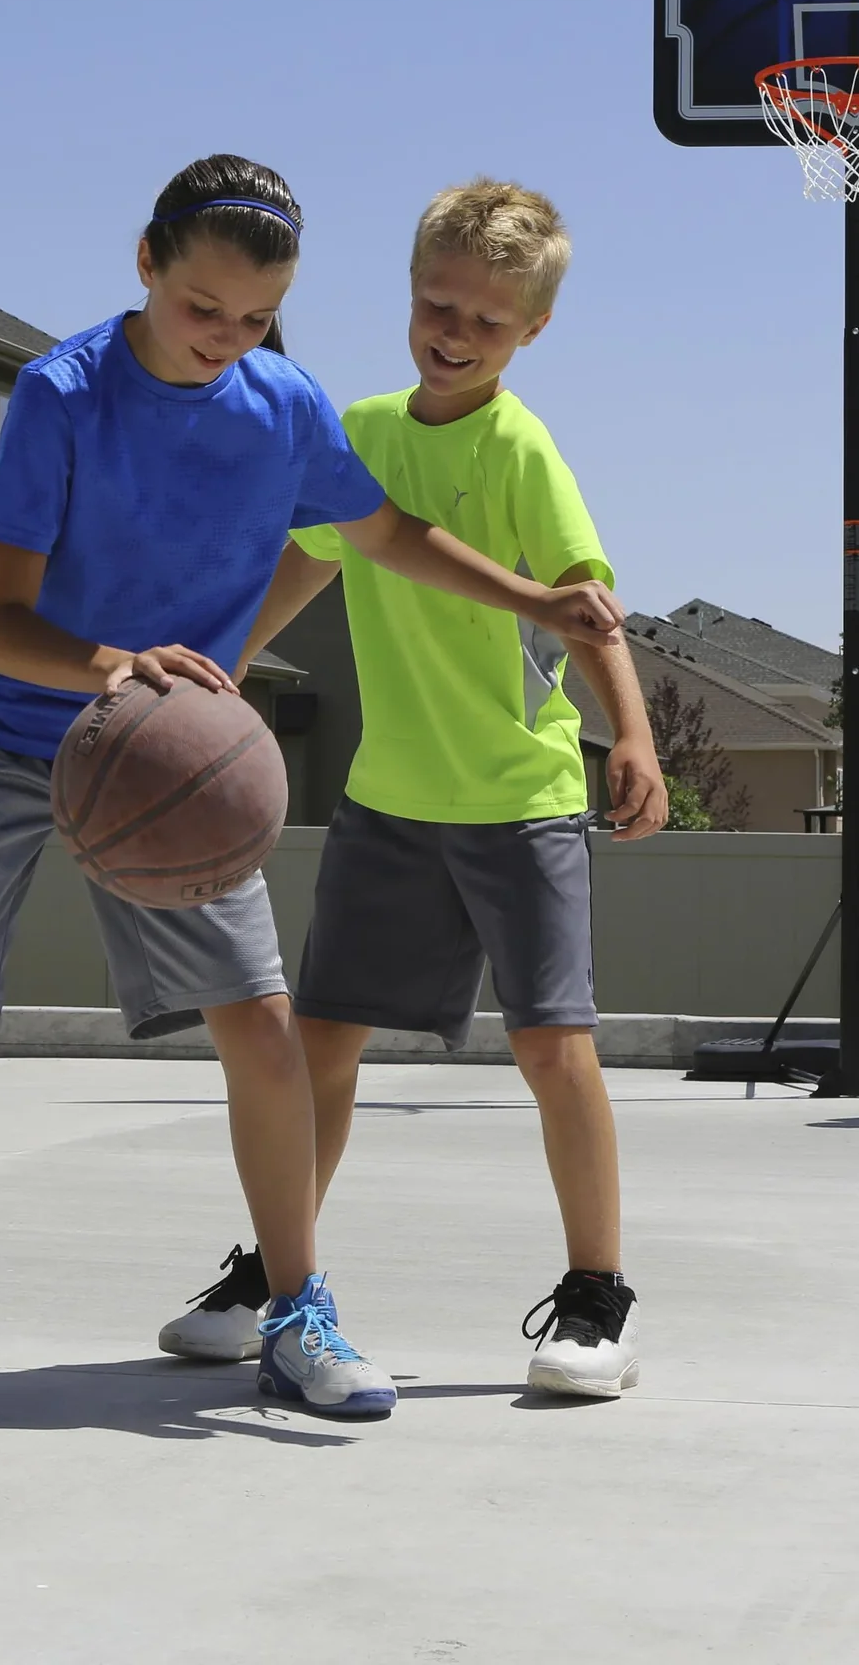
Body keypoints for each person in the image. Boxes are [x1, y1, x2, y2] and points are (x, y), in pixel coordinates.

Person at [0, 155, 625, 1419]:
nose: (226, 338)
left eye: (256, 319)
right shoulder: (64, 394)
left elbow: (385, 536)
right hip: (4, 733)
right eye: (203, 307)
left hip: (170, 762)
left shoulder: (283, 407)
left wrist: (535, 596)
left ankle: (297, 1312)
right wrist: (115, 664)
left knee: (263, 1029)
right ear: (149, 265)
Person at [160, 179, 665, 1399]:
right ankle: (283, 1279)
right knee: (319, 1044)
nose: (454, 330)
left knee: (554, 1049)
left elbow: (586, 607)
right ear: (409, 292)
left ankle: (597, 1299)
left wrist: (634, 740)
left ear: (530, 333)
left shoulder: (521, 452)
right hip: (391, 800)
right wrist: (220, 667)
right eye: (438, 303)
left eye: (488, 322)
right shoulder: (368, 431)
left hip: (520, 798)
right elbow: (307, 559)